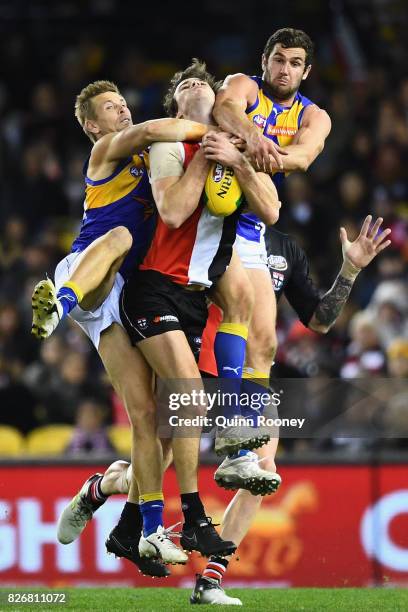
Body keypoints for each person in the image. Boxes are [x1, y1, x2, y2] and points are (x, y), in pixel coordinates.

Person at [33, 79, 212, 574]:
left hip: (124, 294)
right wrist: (220, 133)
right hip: (88, 273)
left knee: (150, 422)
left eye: (123, 105)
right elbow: (158, 126)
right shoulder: (107, 151)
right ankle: (57, 304)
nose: (122, 112)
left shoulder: (157, 162)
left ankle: (105, 491)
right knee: (116, 235)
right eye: (111, 108)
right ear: (92, 125)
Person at [119, 59, 280, 560]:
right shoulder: (171, 144)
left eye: (202, 83)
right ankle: (170, 519)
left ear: (218, 100)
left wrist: (235, 159)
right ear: (177, 104)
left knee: (172, 425)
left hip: (195, 295)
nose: (194, 85)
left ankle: (134, 525)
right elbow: (171, 211)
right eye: (184, 84)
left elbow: (271, 210)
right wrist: (206, 158)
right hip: (152, 288)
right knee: (165, 411)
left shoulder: (232, 146)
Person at [204, 28, 332, 456]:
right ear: (265, 61)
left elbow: (303, 157)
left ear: (307, 71)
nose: (285, 69)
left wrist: (255, 145)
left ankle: (245, 441)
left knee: (265, 340)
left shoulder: (315, 116)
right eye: (279, 59)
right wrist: (252, 135)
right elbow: (224, 107)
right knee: (237, 310)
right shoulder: (243, 85)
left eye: (295, 63)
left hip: (252, 220)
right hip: (210, 212)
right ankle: (231, 423)